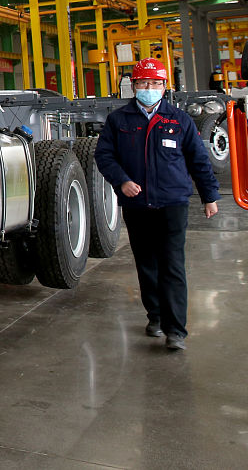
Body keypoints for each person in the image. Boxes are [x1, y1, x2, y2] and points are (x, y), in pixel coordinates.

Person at [93, 58, 219, 352]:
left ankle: (176, 330)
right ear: (133, 86)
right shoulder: (119, 121)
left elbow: (198, 161)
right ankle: (156, 316)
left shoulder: (179, 120)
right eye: (143, 83)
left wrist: (210, 196)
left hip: (173, 203)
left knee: (172, 265)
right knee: (147, 264)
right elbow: (104, 156)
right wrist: (121, 181)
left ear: (164, 86)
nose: (148, 88)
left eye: (154, 83)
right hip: (136, 204)